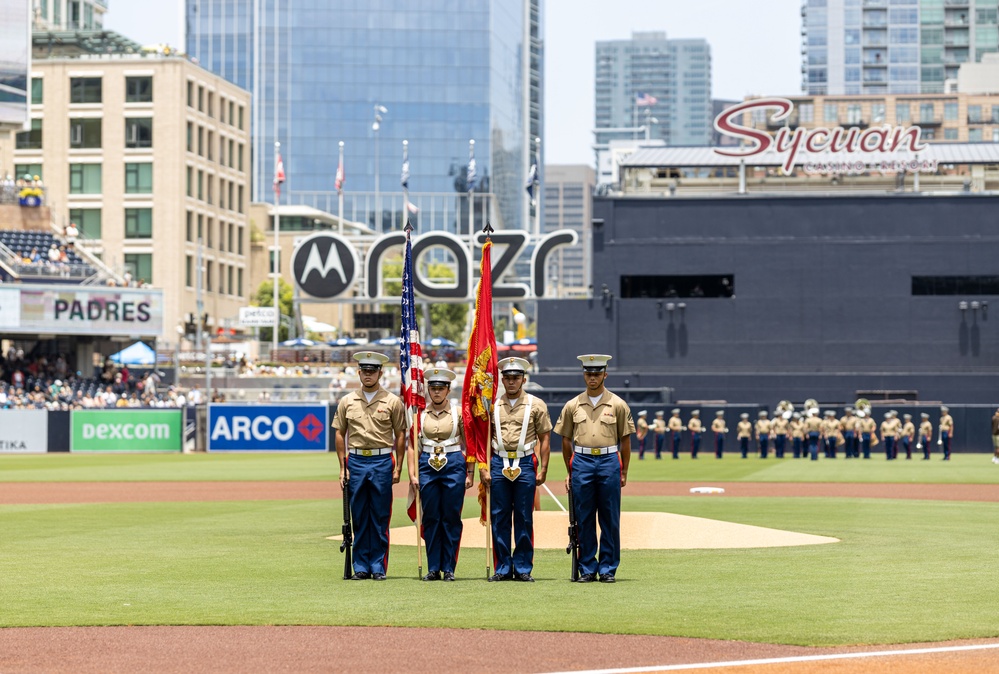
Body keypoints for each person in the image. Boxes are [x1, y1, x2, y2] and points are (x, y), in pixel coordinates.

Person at [555, 354, 634, 583]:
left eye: (597, 374)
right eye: (589, 374)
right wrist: (570, 471)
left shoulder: (618, 404)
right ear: (584, 375)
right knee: (584, 517)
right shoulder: (573, 405)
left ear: (605, 375)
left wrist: (624, 471)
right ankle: (587, 567)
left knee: (609, 517)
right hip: (582, 462)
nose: (592, 378)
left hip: (609, 460)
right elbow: (566, 439)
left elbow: (626, 440)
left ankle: (608, 568)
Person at [333, 351, 406, 581]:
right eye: (364, 371)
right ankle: (361, 566)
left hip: (382, 459)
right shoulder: (347, 401)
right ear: (359, 373)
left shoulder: (392, 401)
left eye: (372, 371)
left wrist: (399, 466)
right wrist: (342, 467)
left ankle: (378, 566)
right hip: (355, 461)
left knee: (380, 515)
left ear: (380, 373)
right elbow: (340, 433)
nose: (368, 375)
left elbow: (400, 434)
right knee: (359, 515)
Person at [482, 356, 551, 582]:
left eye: (515, 377)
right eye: (507, 378)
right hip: (499, 462)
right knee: (499, 517)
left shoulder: (536, 404)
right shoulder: (491, 405)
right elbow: (483, 438)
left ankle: (522, 567)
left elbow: (545, 438)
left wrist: (544, 469)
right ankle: (502, 567)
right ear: (502, 379)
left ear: (523, 379)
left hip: (524, 461)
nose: (511, 381)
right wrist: (484, 468)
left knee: (523, 516)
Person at [410, 366, 473, 582]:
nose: (436, 392)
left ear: (448, 390)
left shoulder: (457, 414)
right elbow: (413, 446)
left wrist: (470, 472)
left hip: (453, 463)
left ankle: (449, 567)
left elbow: (469, 444)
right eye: (433, 388)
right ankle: (433, 567)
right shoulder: (419, 415)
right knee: (431, 517)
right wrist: (412, 473)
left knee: (451, 517)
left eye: (441, 388)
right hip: (427, 464)